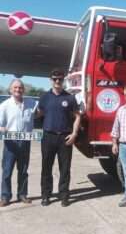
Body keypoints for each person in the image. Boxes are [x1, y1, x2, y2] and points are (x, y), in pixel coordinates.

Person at [38, 69, 81, 207]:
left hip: (65, 138)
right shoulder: (44, 97)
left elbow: (78, 116)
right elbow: (39, 114)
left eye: (60, 79)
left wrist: (74, 134)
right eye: (55, 79)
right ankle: (46, 195)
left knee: (65, 168)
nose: (57, 81)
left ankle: (64, 195)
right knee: (46, 168)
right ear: (50, 80)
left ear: (63, 81)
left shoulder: (70, 98)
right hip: (48, 137)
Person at [0, 79, 37, 207]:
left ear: (23, 90)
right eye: (15, 88)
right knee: (7, 171)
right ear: (10, 90)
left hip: (25, 141)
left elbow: (41, 112)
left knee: (23, 170)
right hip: (10, 142)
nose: (18, 90)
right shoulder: (4, 105)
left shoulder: (32, 103)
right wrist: (2, 128)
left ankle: (22, 194)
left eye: (20, 88)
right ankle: (5, 196)